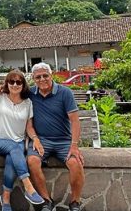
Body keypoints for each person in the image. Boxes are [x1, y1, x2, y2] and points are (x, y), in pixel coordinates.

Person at [26, 62, 85, 211]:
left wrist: (74, 145)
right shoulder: (30, 94)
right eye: (38, 77)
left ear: (51, 75)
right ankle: (46, 200)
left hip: (64, 141)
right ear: (33, 78)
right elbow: (9, 91)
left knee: (75, 163)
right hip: (42, 141)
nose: (42, 79)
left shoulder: (65, 93)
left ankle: (75, 203)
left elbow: (75, 120)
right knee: (32, 161)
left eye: (45, 75)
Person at [0, 70, 45, 210]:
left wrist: (36, 139)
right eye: (11, 81)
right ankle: (28, 186)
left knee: (11, 159)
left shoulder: (28, 103)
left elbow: (29, 127)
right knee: (14, 148)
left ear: (23, 84)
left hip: (18, 142)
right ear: (6, 83)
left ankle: (5, 200)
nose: (14, 84)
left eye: (18, 82)